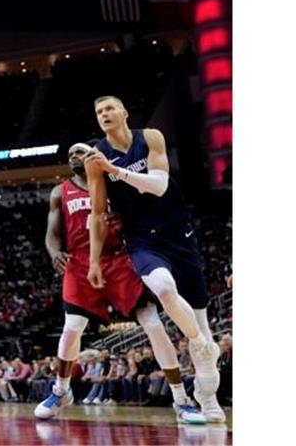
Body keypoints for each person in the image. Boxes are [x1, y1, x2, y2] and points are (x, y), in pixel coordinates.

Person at [34, 143, 206, 424]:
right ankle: (61, 391)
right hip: (79, 263)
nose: (74, 158)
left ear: (93, 155)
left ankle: (181, 400)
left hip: (119, 259)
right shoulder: (59, 191)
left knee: (152, 322)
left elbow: (142, 216)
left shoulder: (114, 183)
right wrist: (55, 254)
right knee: (72, 328)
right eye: (70, 156)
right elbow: (52, 233)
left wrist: (123, 220)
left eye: (79, 152)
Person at [84, 96, 224, 423]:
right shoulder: (96, 159)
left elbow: (160, 186)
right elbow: (98, 213)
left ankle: (208, 398)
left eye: (109, 109)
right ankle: (202, 344)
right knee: (162, 287)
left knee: (199, 320)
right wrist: (93, 261)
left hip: (178, 233)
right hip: (142, 239)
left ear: (124, 112)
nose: (104, 114)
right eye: (99, 112)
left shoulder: (150, 137)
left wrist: (114, 170)